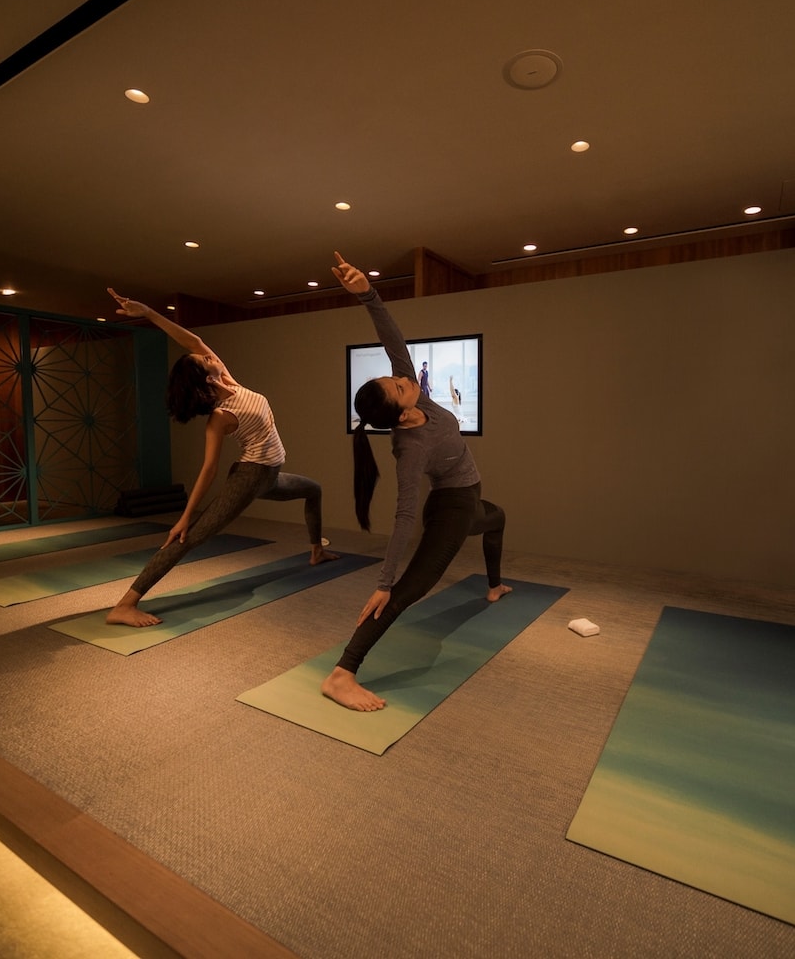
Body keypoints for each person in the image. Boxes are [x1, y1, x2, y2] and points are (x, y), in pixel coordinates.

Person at [322, 253, 510, 711]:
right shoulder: (410, 449)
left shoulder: (413, 395)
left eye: (396, 378)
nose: (403, 378)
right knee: (409, 589)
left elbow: (392, 338)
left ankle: (495, 585)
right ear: (401, 412)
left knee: (498, 518)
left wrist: (367, 294)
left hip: (471, 497)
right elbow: (405, 516)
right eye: (398, 385)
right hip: (450, 508)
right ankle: (342, 673)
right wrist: (384, 580)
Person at [104, 288, 335, 627]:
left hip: (271, 476)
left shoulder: (228, 380)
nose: (209, 355)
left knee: (313, 490)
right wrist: (185, 517)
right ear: (206, 377)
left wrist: (149, 313)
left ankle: (317, 551)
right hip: (249, 478)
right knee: (190, 537)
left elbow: (192, 340)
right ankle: (125, 604)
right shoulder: (220, 416)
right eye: (205, 360)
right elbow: (209, 469)